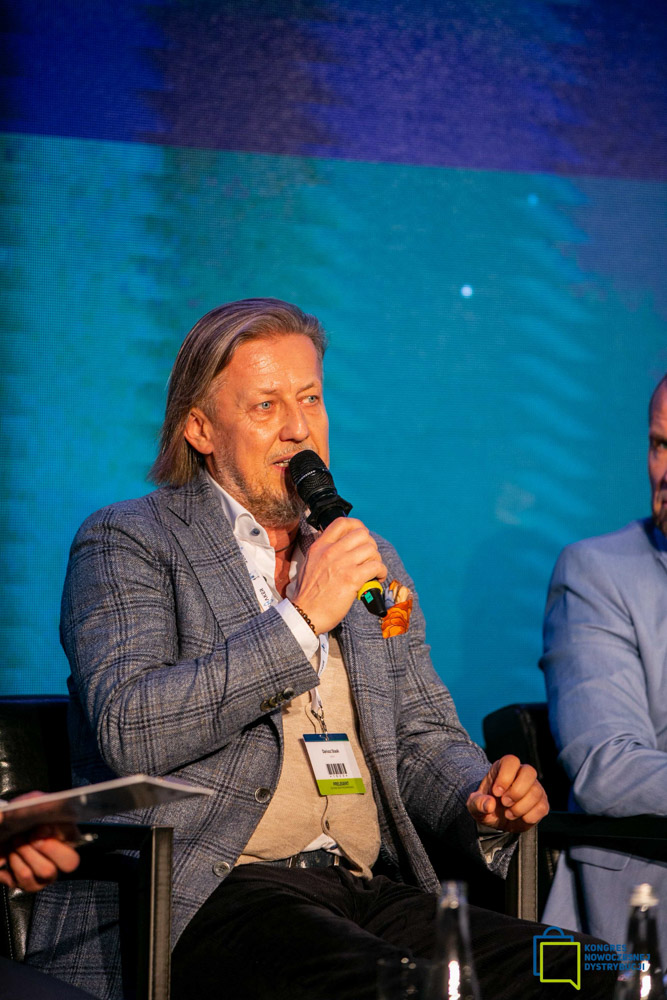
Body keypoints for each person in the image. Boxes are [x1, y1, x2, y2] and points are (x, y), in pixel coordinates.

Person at [25, 299, 612, 1000]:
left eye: (309, 399)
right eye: (265, 406)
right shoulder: (127, 540)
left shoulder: (371, 564)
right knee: (404, 987)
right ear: (200, 428)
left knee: (603, 971)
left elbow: (420, 733)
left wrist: (480, 796)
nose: (298, 428)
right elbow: (132, 727)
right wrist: (302, 617)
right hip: (211, 895)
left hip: (365, 892)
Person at [540, 373, 667, 956]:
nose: (665, 471)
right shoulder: (598, 573)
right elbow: (606, 767)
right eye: (660, 445)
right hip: (649, 889)